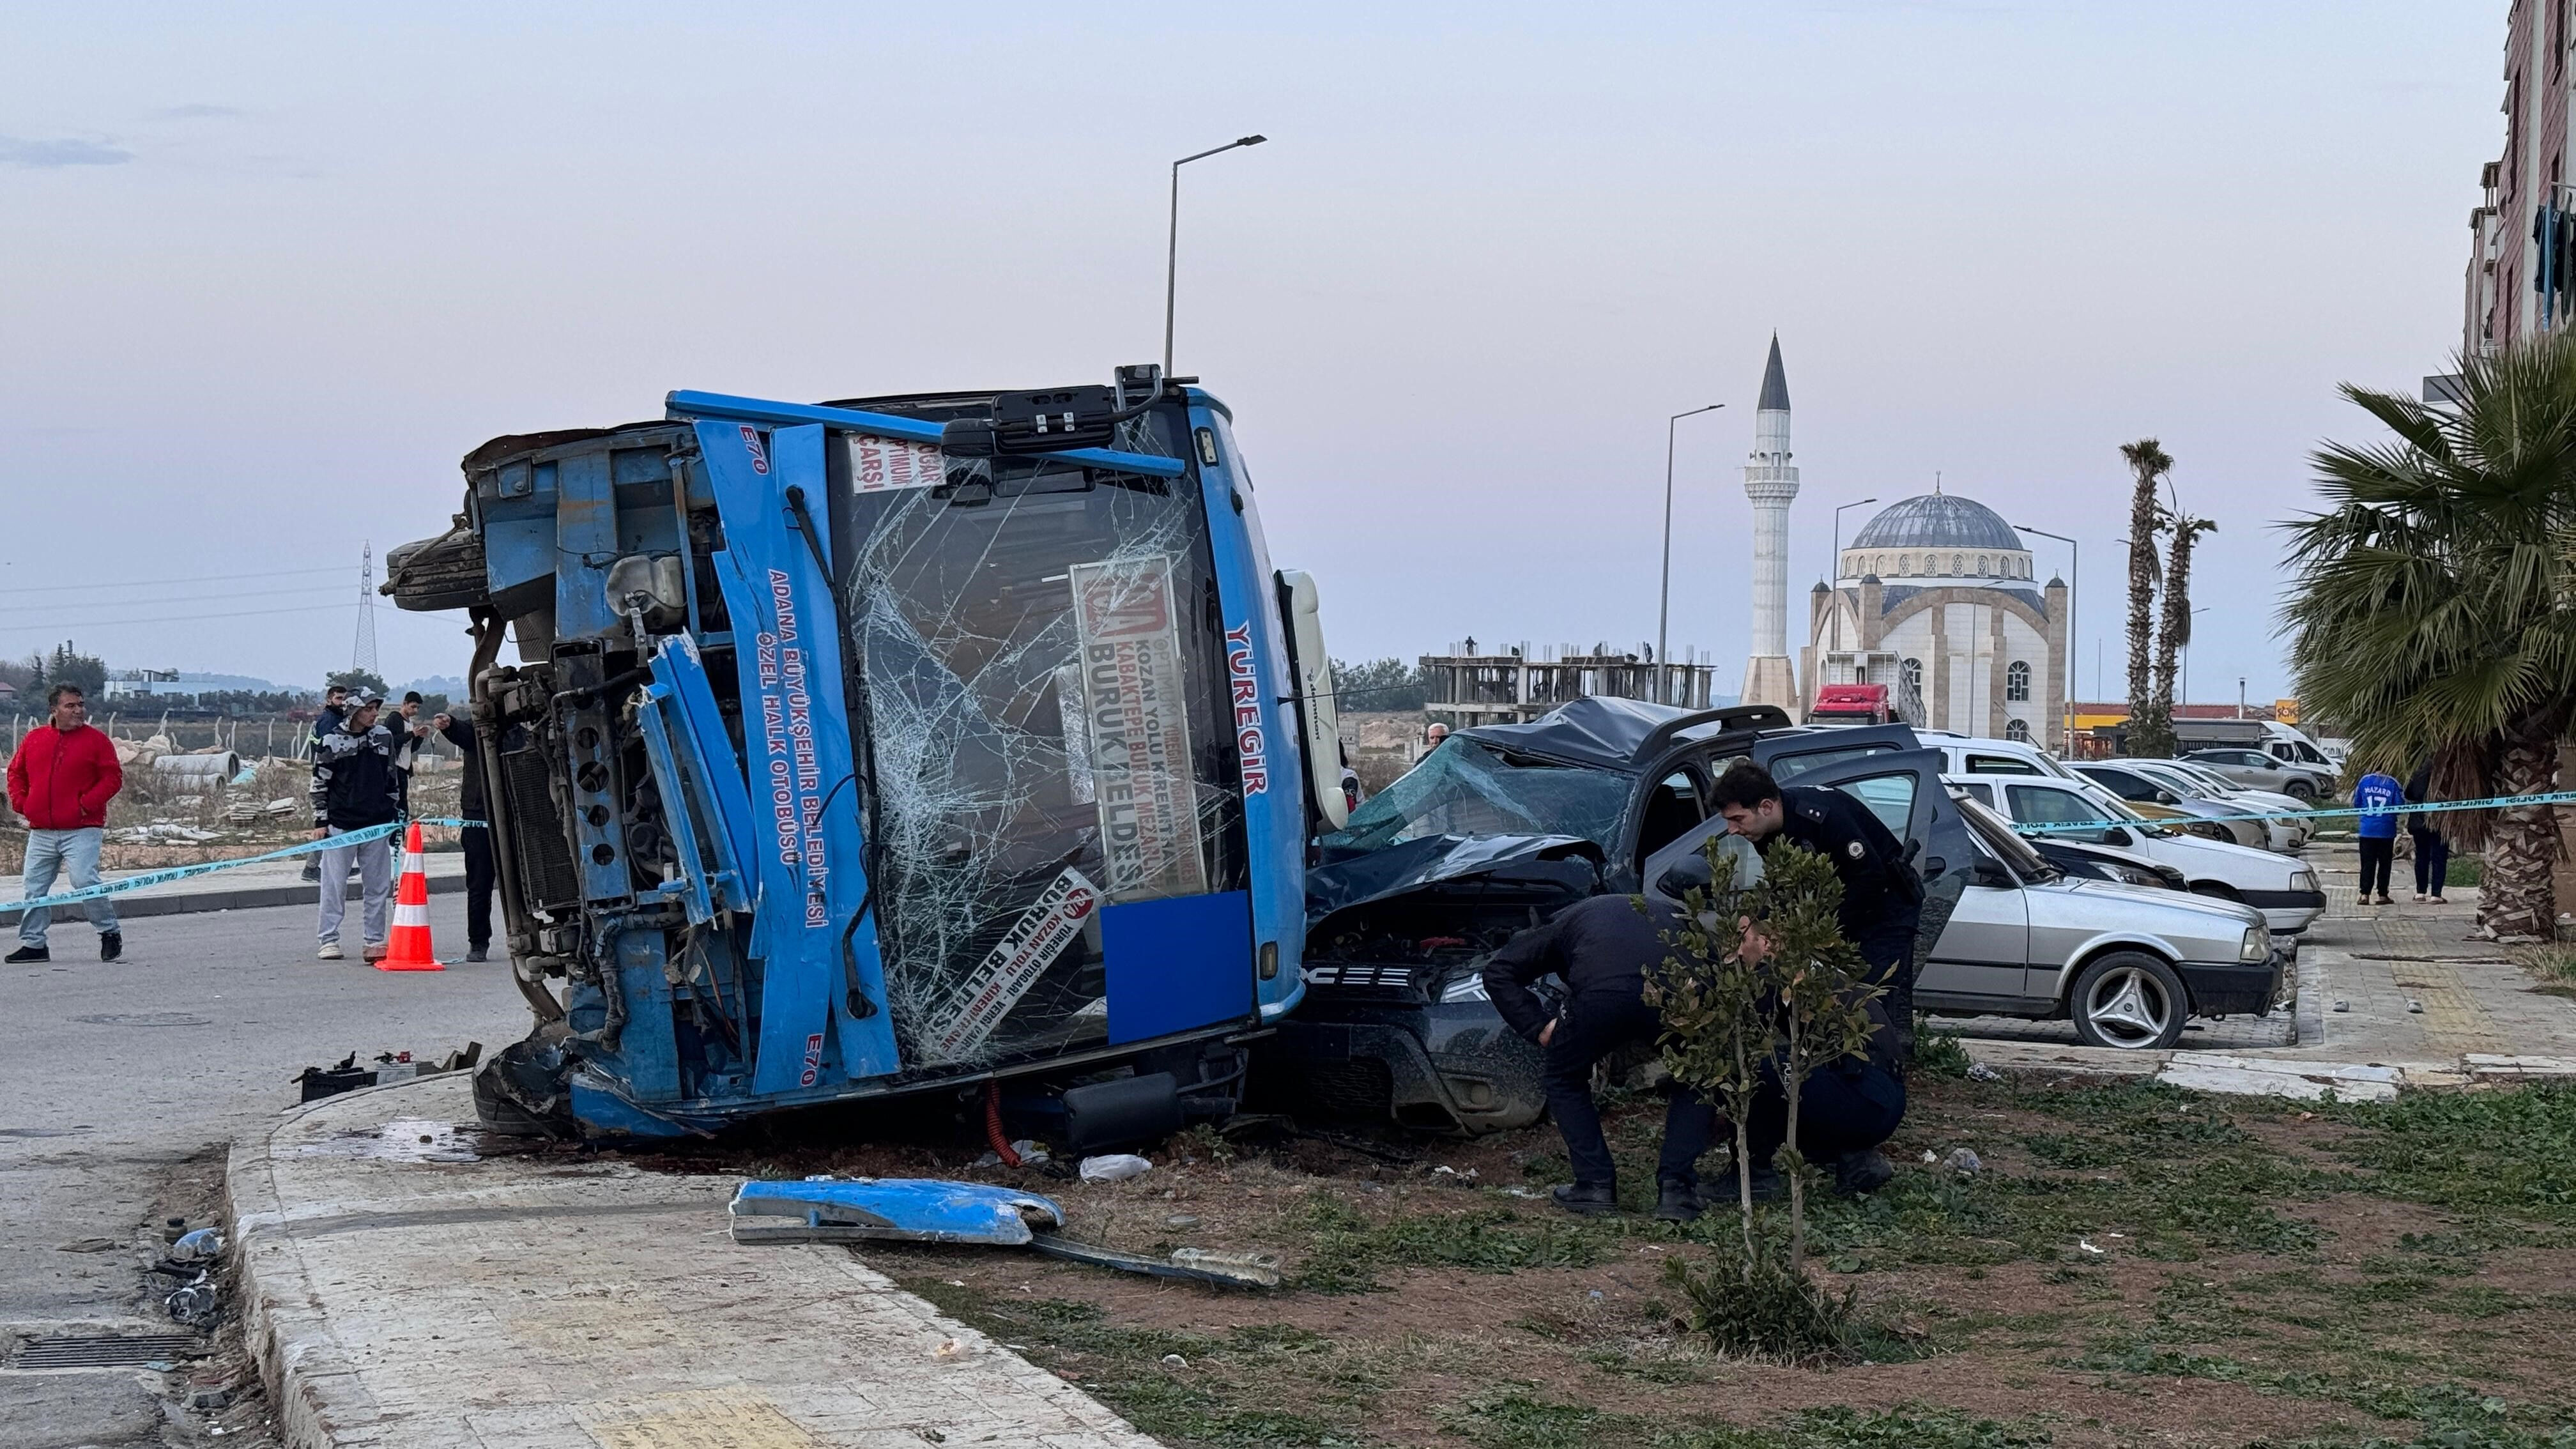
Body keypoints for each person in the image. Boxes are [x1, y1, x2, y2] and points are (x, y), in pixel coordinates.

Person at [1708, 758, 1922, 1194]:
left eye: (1737, 818)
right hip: (1847, 914)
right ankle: (1835, 1117)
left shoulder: (1823, 818)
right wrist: (1762, 922)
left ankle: (1866, 1098)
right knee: (1818, 1022)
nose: (1732, 830)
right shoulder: (1770, 832)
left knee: (1868, 1008)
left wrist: (1810, 934)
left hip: (1883, 910)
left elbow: (1869, 882)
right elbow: (1786, 887)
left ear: (1766, 805)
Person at [1482, 891, 1716, 1222]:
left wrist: (1538, 1026)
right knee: (1698, 1078)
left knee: (1565, 1078)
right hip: (1677, 994)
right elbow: (1715, 970)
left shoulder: (1564, 923)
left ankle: (1595, 1184)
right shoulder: (1674, 916)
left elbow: (1498, 972)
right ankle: (1677, 1190)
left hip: (1602, 995)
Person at [6, 685, 124, 963]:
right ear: (54, 709)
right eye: (71, 706)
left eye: (80, 705)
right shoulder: (35, 739)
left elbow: (112, 778)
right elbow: (16, 772)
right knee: (34, 887)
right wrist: (22, 803)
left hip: (82, 828)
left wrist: (85, 804)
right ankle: (34, 944)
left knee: (84, 880)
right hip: (42, 830)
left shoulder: (96, 741)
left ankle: (109, 931)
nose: (78, 710)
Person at [310, 692, 402, 961]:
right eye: (369, 709)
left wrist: (394, 814)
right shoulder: (332, 741)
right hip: (342, 825)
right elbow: (319, 783)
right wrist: (320, 821)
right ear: (354, 712)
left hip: (377, 824)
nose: (374, 714)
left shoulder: (383, 738)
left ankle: (373, 941)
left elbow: (391, 779)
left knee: (377, 887)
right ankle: (328, 939)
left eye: (376, 709)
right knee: (334, 885)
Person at [433, 709, 495, 962]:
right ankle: (478, 942)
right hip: (479, 814)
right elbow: (465, 734)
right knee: (479, 884)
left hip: (523, 812)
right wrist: (449, 725)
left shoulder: (524, 727)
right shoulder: (478, 727)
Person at [303, 683, 353, 883]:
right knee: (326, 826)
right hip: (328, 780)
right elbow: (329, 752)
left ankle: (341, 866)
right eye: (339, 698)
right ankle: (311, 867)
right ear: (329, 699)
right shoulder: (328, 721)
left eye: (344, 699)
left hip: (339, 779)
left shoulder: (341, 719)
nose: (342, 702)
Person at [2354, 765, 2404, 907]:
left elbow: (2357, 803)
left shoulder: (2364, 781)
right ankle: (2382, 895)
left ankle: (2364, 894)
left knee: (2367, 863)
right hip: (2386, 830)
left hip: (2367, 829)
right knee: (2385, 864)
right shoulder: (2393, 783)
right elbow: (2399, 805)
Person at [2404, 762, 2449, 905]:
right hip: (2440, 823)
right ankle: (2436, 894)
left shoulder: (2418, 773)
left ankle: (2420, 893)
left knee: (2421, 857)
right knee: (2439, 858)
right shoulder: (2447, 772)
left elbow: (2409, 794)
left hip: (2419, 822)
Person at [386, 691, 430, 815]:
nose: (415, 711)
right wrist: (411, 734)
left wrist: (420, 737)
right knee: (397, 803)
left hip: (405, 768)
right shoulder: (394, 719)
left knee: (403, 803)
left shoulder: (410, 723)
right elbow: (390, 742)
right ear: (405, 704)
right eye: (413, 707)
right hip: (394, 768)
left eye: (418, 708)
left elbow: (410, 749)